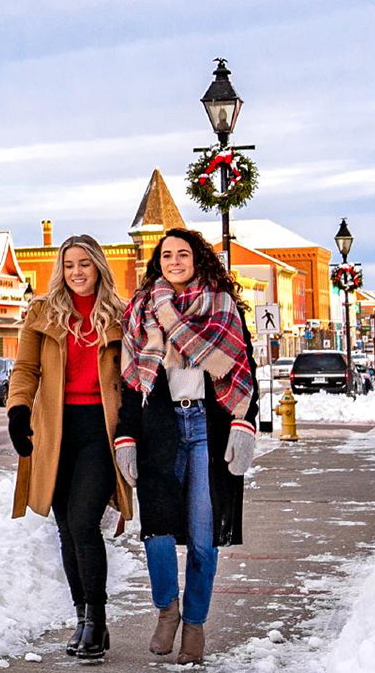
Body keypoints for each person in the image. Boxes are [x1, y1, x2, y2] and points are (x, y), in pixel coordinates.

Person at [114, 228, 260, 665]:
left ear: (198, 259)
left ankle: (194, 624)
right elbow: (129, 384)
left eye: (183, 254)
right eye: (166, 255)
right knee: (156, 531)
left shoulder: (223, 307)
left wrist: (244, 424)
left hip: (207, 429)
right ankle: (167, 611)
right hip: (160, 429)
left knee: (202, 538)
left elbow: (245, 369)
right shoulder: (140, 311)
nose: (174, 261)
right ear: (157, 262)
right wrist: (126, 436)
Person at [6, 235, 133, 663]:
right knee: (65, 528)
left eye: (84, 264)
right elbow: (25, 368)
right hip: (55, 431)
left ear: (98, 266)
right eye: (69, 264)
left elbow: (135, 374)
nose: (76, 272)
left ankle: (96, 620)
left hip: (102, 429)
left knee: (82, 523)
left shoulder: (120, 314)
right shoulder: (42, 313)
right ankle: (82, 617)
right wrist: (18, 410)